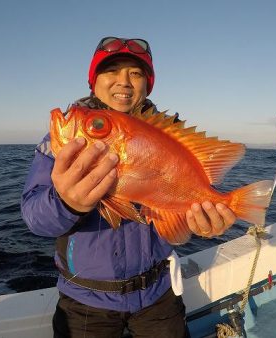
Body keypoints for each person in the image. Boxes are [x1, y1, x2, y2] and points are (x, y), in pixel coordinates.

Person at [21, 36, 236, 338]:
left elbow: (178, 221)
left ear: (148, 85)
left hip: (158, 296)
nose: (124, 81)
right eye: (111, 71)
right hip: (85, 301)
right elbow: (35, 218)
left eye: (135, 73)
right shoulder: (58, 145)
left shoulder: (169, 134)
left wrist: (204, 220)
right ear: (93, 81)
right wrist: (67, 203)